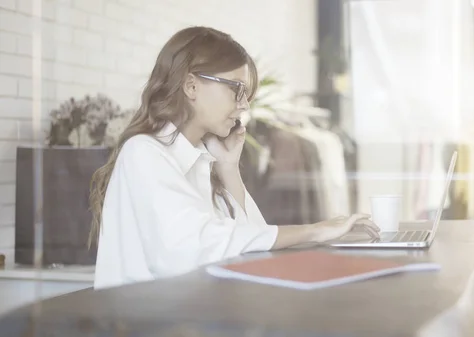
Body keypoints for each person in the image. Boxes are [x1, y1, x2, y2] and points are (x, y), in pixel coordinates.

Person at [88, 26, 379, 290]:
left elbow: (253, 243)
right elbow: (195, 247)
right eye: (237, 90)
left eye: (247, 96)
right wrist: (315, 231)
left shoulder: (202, 159)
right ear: (191, 86)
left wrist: (229, 170)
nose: (243, 107)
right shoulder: (144, 153)